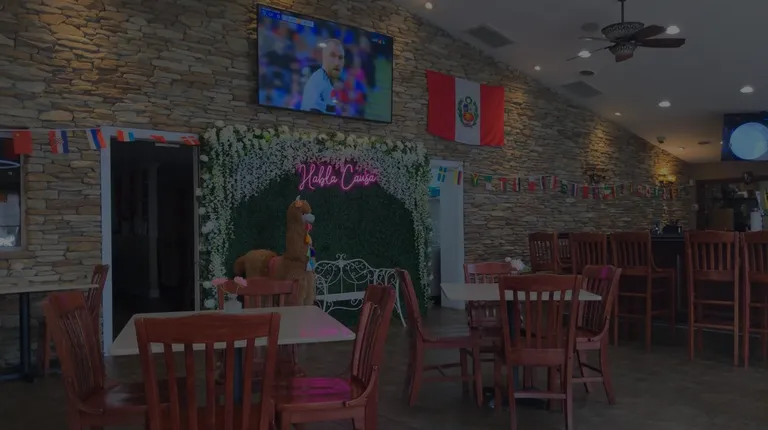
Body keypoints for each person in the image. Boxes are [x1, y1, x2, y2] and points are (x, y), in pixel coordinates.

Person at [301, 39, 344, 113]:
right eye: (317, 52)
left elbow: (340, 84)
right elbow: (304, 82)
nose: (319, 54)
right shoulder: (309, 67)